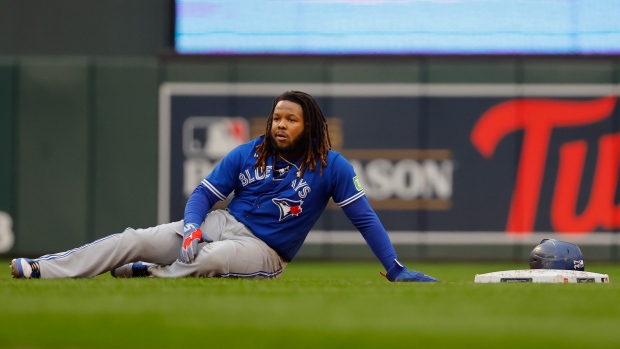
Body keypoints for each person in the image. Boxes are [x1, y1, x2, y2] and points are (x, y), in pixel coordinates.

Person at [10, 90, 438, 282]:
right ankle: (43, 268)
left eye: (291, 118)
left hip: (266, 251)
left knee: (209, 260)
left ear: (310, 125)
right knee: (135, 237)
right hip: (221, 223)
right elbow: (203, 195)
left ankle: (153, 275)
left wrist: (395, 268)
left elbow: (364, 217)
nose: (280, 124)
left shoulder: (331, 166)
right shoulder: (249, 152)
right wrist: (193, 226)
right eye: (276, 117)